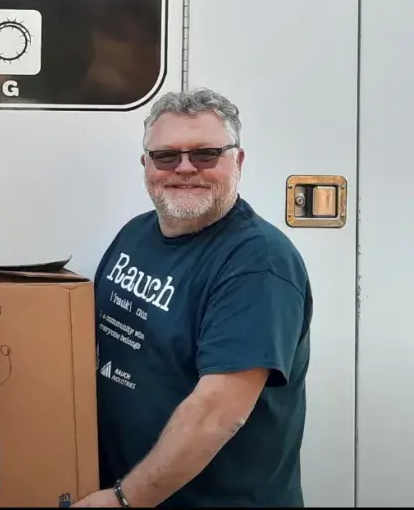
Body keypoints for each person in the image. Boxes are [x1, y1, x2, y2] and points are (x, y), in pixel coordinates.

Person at [74, 88, 312, 508]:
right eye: (167, 156)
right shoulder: (135, 234)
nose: (184, 169)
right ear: (146, 164)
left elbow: (218, 410)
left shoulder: (258, 263)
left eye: (205, 154)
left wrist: (125, 500)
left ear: (237, 161)